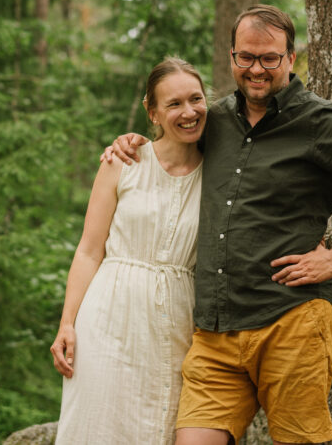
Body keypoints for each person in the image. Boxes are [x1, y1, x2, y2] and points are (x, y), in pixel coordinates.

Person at [106, 5, 332, 445]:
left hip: (291, 320)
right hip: (216, 332)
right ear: (232, 56)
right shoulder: (214, 119)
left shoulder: (321, 122)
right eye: (246, 57)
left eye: (269, 58)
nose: (256, 69)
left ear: (291, 58)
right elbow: (171, 137)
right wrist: (133, 142)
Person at [51, 58, 208, 444]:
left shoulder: (220, 172)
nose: (188, 112)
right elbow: (89, 251)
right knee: (96, 425)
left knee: (157, 427)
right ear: (151, 112)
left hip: (176, 324)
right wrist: (67, 322)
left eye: (196, 99)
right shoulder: (123, 162)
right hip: (107, 318)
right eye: (173, 104)